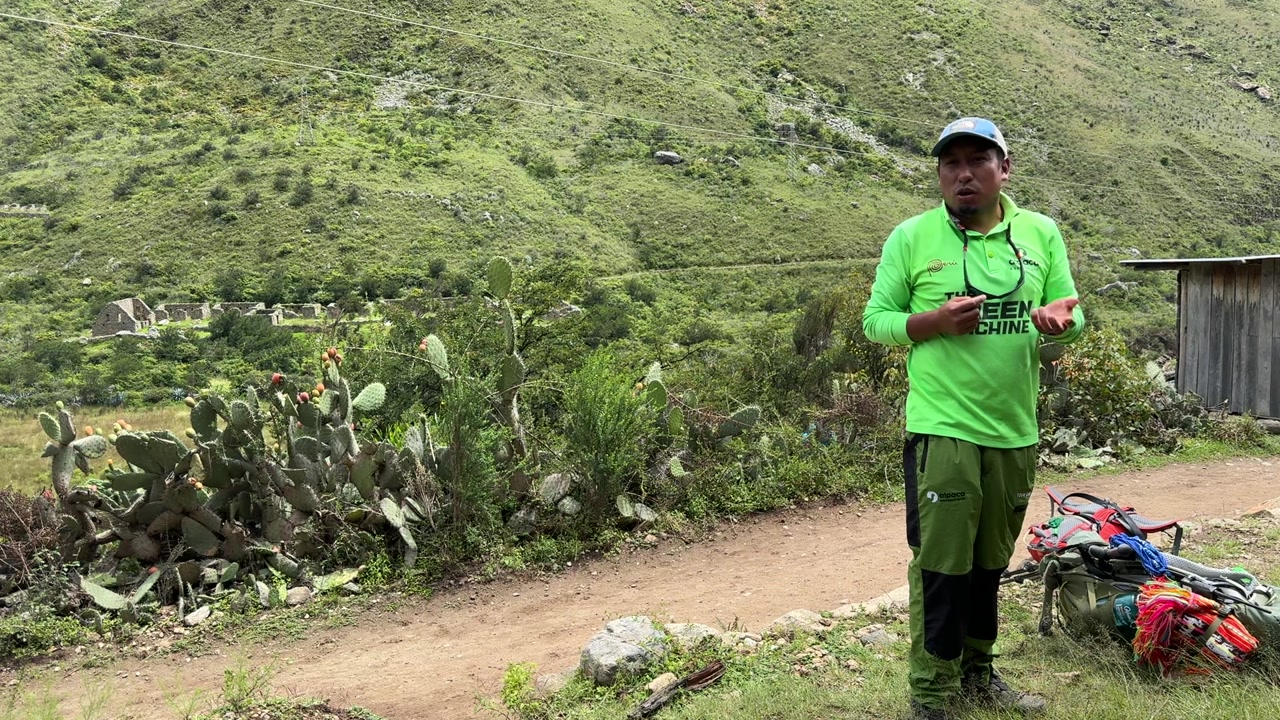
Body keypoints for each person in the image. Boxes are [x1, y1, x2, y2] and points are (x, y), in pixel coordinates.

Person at [862, 117, 1085, 720]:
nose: (963, 173)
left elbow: (1069, 317)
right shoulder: (912, 237)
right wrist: (933, 322)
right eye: (950, 163)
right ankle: (931, 694)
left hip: (1014, 430)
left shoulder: (1040, 233)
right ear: (939, 174)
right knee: (941, 565)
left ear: (1003, 169)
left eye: (977, 160)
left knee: (989, 564)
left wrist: (1060, 324)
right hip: (943, 429)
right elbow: (876, 321)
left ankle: (978, 674)